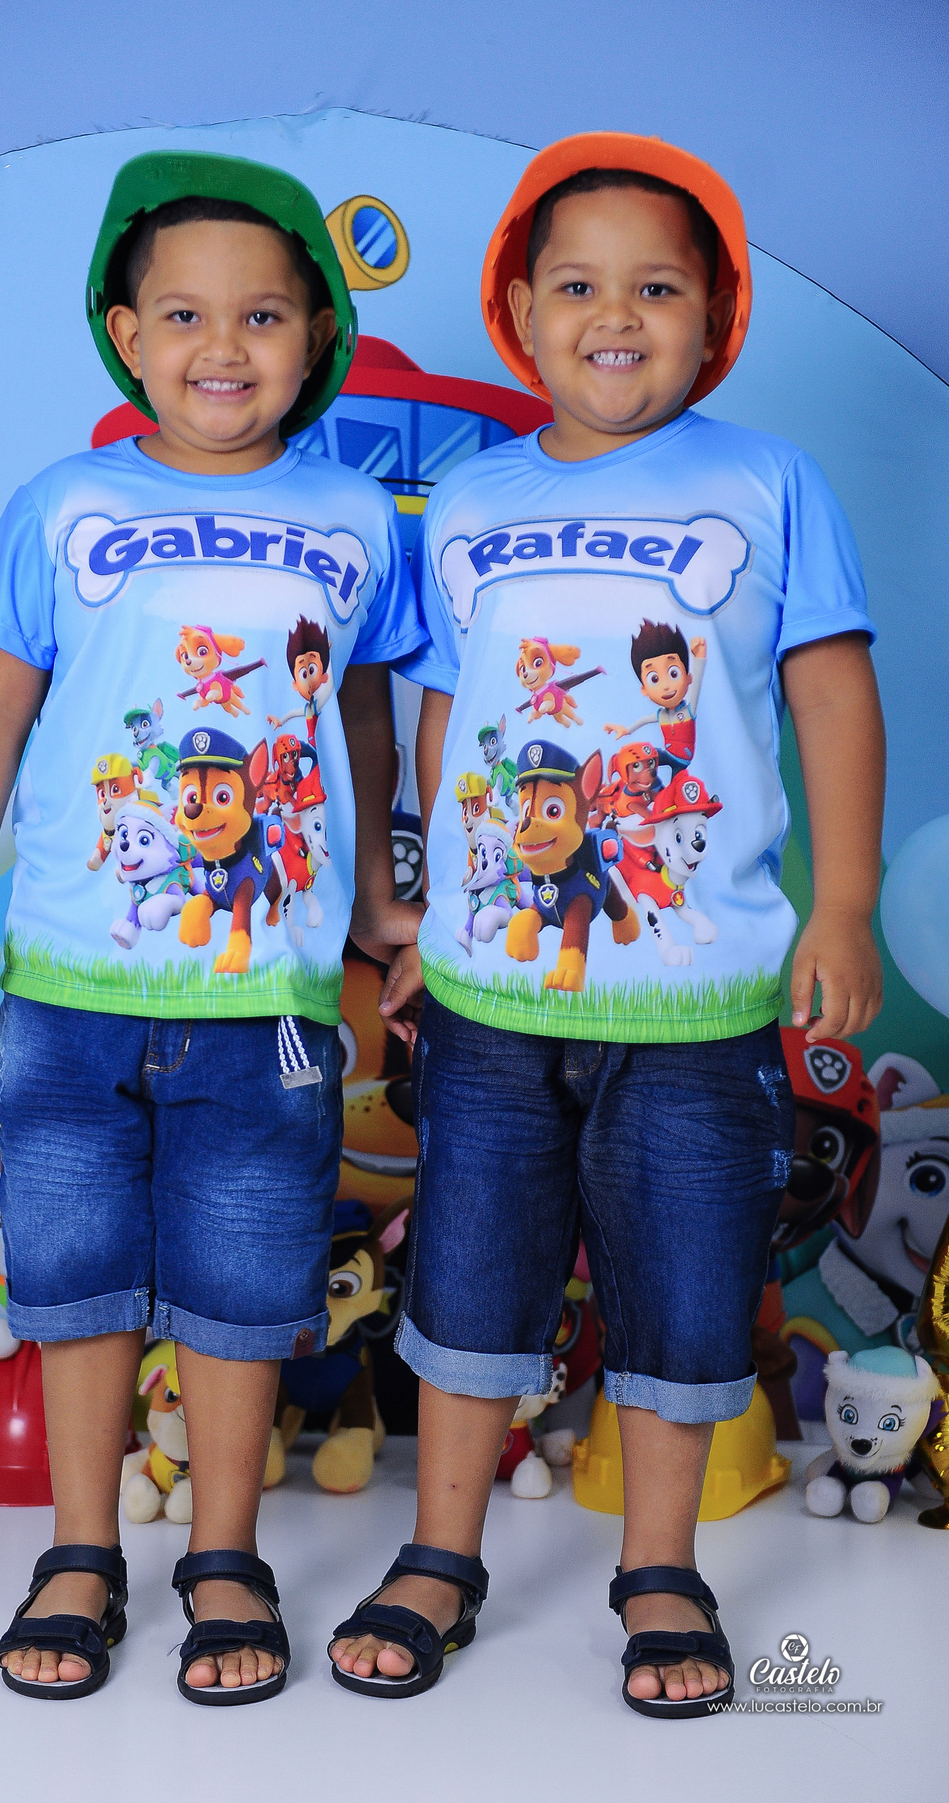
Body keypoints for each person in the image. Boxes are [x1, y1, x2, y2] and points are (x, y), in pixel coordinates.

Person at [328, 132, 883, 1718]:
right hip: (493, 994)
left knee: (686, 1282)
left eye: (658, 287)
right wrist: (429, 907)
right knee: (470, 1270)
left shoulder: (768, 482)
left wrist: (844, 902)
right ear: (517, 310)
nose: (615, 315)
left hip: (699, 998)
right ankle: (440, 1552)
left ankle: (661, 1568)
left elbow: (831, 690)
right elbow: (444, 713)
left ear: (717, 316)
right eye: (575, 285)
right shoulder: (473, 497)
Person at [0, 150, 424, 1704]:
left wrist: (379, 891)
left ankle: (224, 1553)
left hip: (266, 993)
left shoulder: (354, 515)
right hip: (74, 982)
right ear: (125, 335)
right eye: (185, 314)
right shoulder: (67, 505)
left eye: (263, 314)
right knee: (73, 1271)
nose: (224, 345)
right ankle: (81, 1547)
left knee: (245, 1276)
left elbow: (364, 711)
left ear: (316, 337)